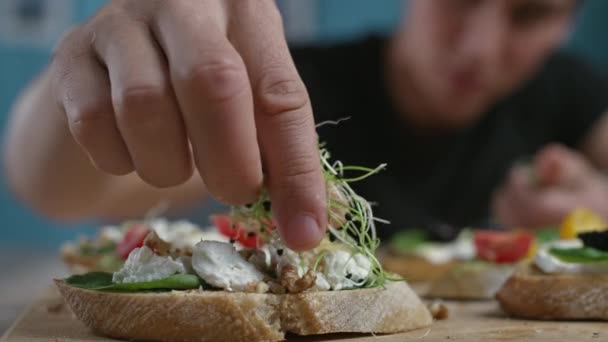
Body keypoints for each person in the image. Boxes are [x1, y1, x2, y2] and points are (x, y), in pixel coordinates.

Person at [4, 0, 607, 250]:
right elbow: (54, 188)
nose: (479, 48)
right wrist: (77, 93)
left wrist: (597, 209)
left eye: (530, 14)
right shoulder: (297, 83)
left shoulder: (570, 89)